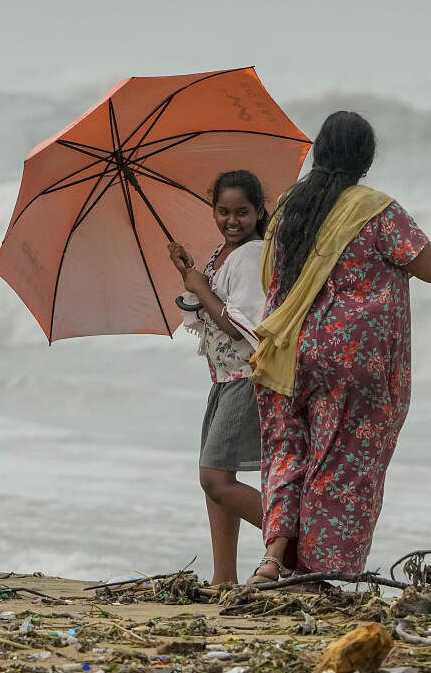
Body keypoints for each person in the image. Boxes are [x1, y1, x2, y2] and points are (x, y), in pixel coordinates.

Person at [248, 111, 431, 585]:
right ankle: (316, 577)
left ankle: (273, 561)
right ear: (365, 158)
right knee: (341, 464)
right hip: (352, 360)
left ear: (319, 150)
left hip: (287, 352)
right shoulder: (375, 209)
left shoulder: (288, 206)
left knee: (287, 454)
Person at [168, 170, 270, 586]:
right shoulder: (221, 255)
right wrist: (190, 275)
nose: (232, 220)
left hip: (247, 377)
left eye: (242, 212)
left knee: (212, 476)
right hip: (223, 379)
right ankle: (223, 577)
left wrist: (201, 289)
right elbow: (204, 313)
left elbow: (241, 323)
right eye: (223, 211)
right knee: (218, 481)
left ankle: (297, 539)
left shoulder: (253, 254)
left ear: (260, 211)